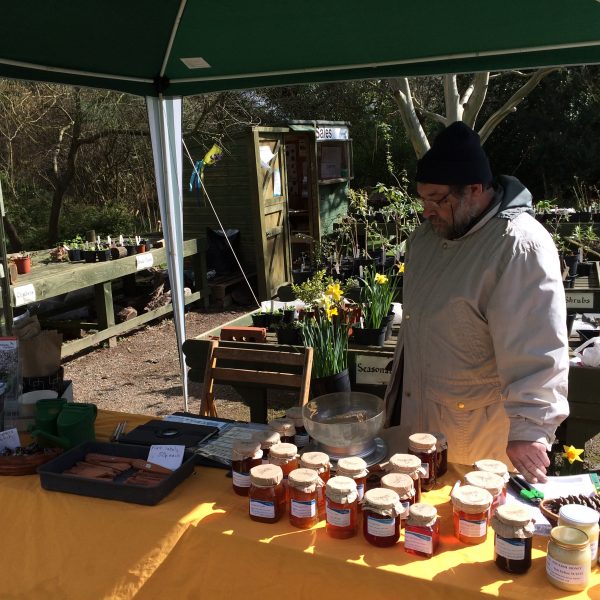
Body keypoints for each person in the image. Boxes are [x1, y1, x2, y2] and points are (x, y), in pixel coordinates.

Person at [383, 121, 569, 483]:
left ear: (475, 189)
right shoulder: (425, 239)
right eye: (423, 199)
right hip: (419, 429)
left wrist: (530, 429)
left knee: (468, 514)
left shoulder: (518, 246)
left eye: (438, 199)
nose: (427, 211)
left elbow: (537, 347)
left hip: (476, 440)